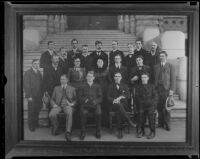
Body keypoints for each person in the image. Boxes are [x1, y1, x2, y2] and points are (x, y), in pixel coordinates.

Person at [107, 72, 136, 139]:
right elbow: (108, 97)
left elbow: (128, 96)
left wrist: (121, 97)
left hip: (123, 104)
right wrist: (114, 100)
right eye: (116, 76)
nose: (117, 77)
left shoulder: (125, 85)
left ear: (121, 77)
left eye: (118, 76)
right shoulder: (110, 86)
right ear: (114, 78)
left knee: (119, 109)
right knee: (119, 107)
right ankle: (128, 121)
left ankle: (120, 131)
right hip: (113, 105)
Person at [49, 74, 77, 141]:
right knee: (51, 115)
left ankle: (67, 132)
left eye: (63, 79)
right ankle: (56, 126)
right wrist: (53, 104)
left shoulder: (72, 88)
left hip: (67, 105)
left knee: (69, 113)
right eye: (61, 79)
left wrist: (72, 104)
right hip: (58, 105)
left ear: (67, 80)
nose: (62, 80)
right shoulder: (56, 88)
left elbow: (76, 99)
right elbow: (52, 99)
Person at [154, 51, 176, 131]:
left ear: (166, 57)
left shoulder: (170, 66)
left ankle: (167, 124)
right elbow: (154, 79)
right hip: (157, 89)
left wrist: (172, 90)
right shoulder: (156, 66)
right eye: (160, 56)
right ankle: (160, 123)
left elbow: (173, 79)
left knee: (167, 108)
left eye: (163, 56)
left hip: (166, 90)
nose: (161, 57)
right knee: (159, 107)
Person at [78, 71, 103, 140]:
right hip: (85, 104)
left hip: (95, 104)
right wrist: (84, 100)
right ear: (86, 77)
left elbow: (100, 97)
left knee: (99, 113)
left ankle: (98, 131)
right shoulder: (82, 86)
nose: (89, 78)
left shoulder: (97, 86)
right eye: (88, 76)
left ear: (93, 78)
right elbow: (79, 97)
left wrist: (95, 101)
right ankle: (83, 132)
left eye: (91, 77)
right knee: (83, 113)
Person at [134, 72, 158, 139]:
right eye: (142, 77)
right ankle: (141, 131)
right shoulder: (138, 87)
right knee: (141, 113)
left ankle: (152, 131)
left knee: (150, 114)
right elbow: (137, 97)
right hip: (142, 105)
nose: (143, 79)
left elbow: (156, 97)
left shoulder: (152, 86)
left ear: (148, 78)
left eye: (145, 77)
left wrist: (152, 103)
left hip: (151, 106)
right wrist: (142, 103)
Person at [23, 59, 43, 131]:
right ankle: (31, 125)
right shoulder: (28, 73)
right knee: (31, 111)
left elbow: (41, 85)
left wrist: (42, 95)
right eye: (35, 63)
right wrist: (29, 96)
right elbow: (26, 85)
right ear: (32, 64)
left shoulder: (39, 73)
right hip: (32, 96)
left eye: (38, 63)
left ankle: (36, 123)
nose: (36, 65)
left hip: (38, 95)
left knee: (37, 109)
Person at [94, 59, 109, 127]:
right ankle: (98, 123)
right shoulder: (94, 71)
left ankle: (105, 123)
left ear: (103, 63)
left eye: (101, 62)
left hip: (105, 91)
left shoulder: (106, 71)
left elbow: (109, 81)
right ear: (96, 63)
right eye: (98, 62)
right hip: (97, 91)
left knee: (105, 106)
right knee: (98, 106)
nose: (99, 63)